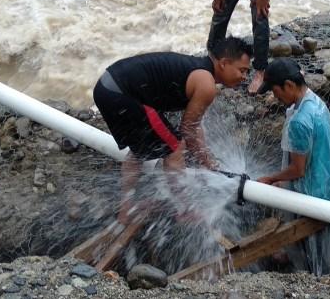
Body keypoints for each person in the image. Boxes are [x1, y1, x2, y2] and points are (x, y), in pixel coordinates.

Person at [93, 36, 252, 223]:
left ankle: (125, 209)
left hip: (106, 87)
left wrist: (207, 161)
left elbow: (195, 124)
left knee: (140, 151)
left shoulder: (198, 70)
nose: (244, 77)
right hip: (121, 93)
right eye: (242, 70)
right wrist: (206, 162)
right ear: (224, 63)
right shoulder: (206, 84)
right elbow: (187, 129)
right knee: (175, 148)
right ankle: (185, 209)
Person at [256, 58, 330, 276]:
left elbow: (298, 170)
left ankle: (316, 280)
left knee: (313, 247)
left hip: (311, 196)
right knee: (319, 244)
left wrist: (271, 179)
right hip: (327, 187)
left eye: (276, 92)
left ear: (289, 85)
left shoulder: (299, 121)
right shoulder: (316, 104)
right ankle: (321, 273)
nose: (276, 98)